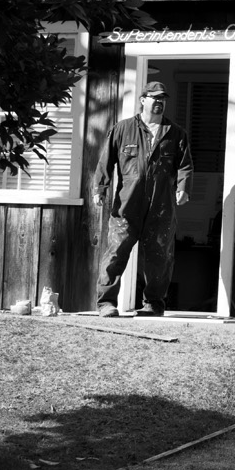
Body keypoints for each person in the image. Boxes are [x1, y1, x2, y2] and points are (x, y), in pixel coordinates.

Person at [91, 81, 193, 317]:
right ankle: (106, 303)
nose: (159, 102)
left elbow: (185, 165)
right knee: (115, 253)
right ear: (143, 100)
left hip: (161, 206)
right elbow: (106, 161)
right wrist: (100, 188)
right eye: (154, 97)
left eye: (162, 99)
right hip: (127, 205)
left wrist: (183, 187)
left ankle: (153, 304)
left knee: (160, 258)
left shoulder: (175, 133)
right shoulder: (123, 129)